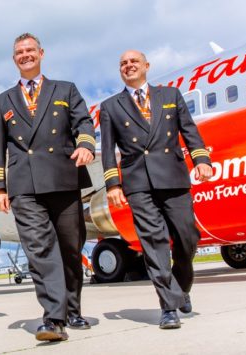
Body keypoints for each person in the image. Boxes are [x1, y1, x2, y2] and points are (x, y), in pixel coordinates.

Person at [0, 33, 96, 342]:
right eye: (19, 52)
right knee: (40, 251)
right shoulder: (3, 100)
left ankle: (72, 309)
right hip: (24, 185)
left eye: (30, 50)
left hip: (63, 178)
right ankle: (53, 319)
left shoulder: (65, 90)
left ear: (41, 53)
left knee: (69, 249)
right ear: (14, 59)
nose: (25, 55)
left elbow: (84, 124)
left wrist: (86, 145)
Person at [99, 50, 213, 329]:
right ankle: (168, 307)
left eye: (133, 61)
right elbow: (107, 149)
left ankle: (180, 286)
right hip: (138, 183)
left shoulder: (170, 96)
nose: (128, 66)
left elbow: (189, 130)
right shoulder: (110, 106)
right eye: (123, 63)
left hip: (173, 177)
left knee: (188, 237)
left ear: (146, 66)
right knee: (154, 244)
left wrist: (201, 159)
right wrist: (113, 183)